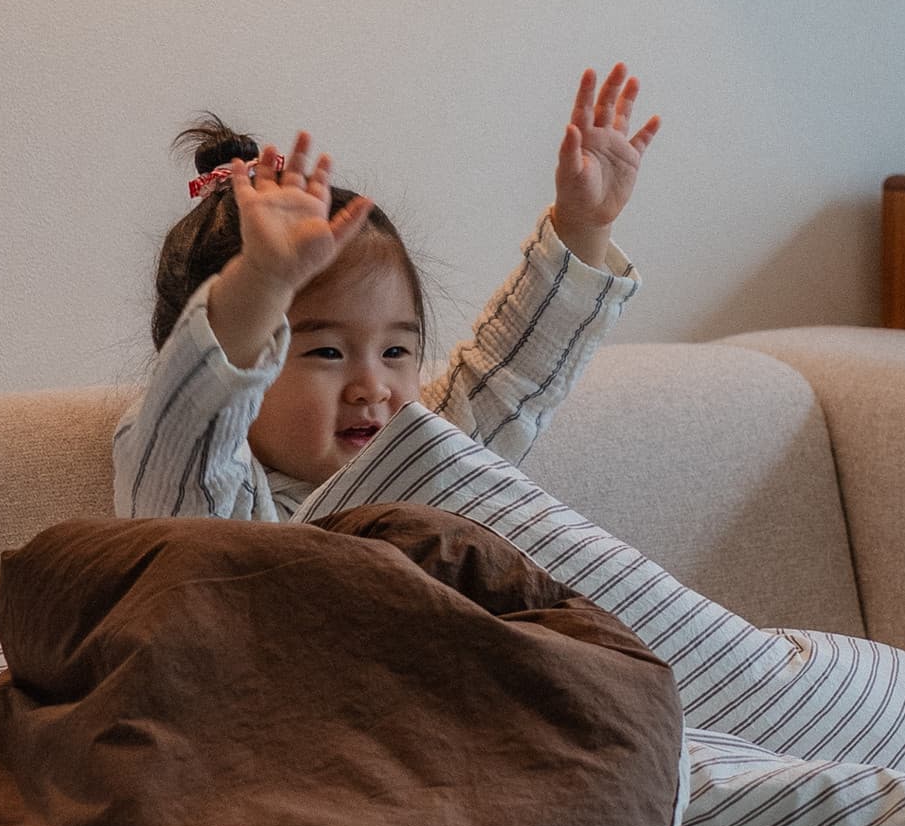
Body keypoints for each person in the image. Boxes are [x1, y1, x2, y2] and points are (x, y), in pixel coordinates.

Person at [115, 64, 660, 524]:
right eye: (327, 351)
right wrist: (262, 281)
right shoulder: (216, 506)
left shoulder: (423, 454)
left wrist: (584, 225)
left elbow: (512, 378)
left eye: (395, 352)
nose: (372, 387)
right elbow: (190, 429)